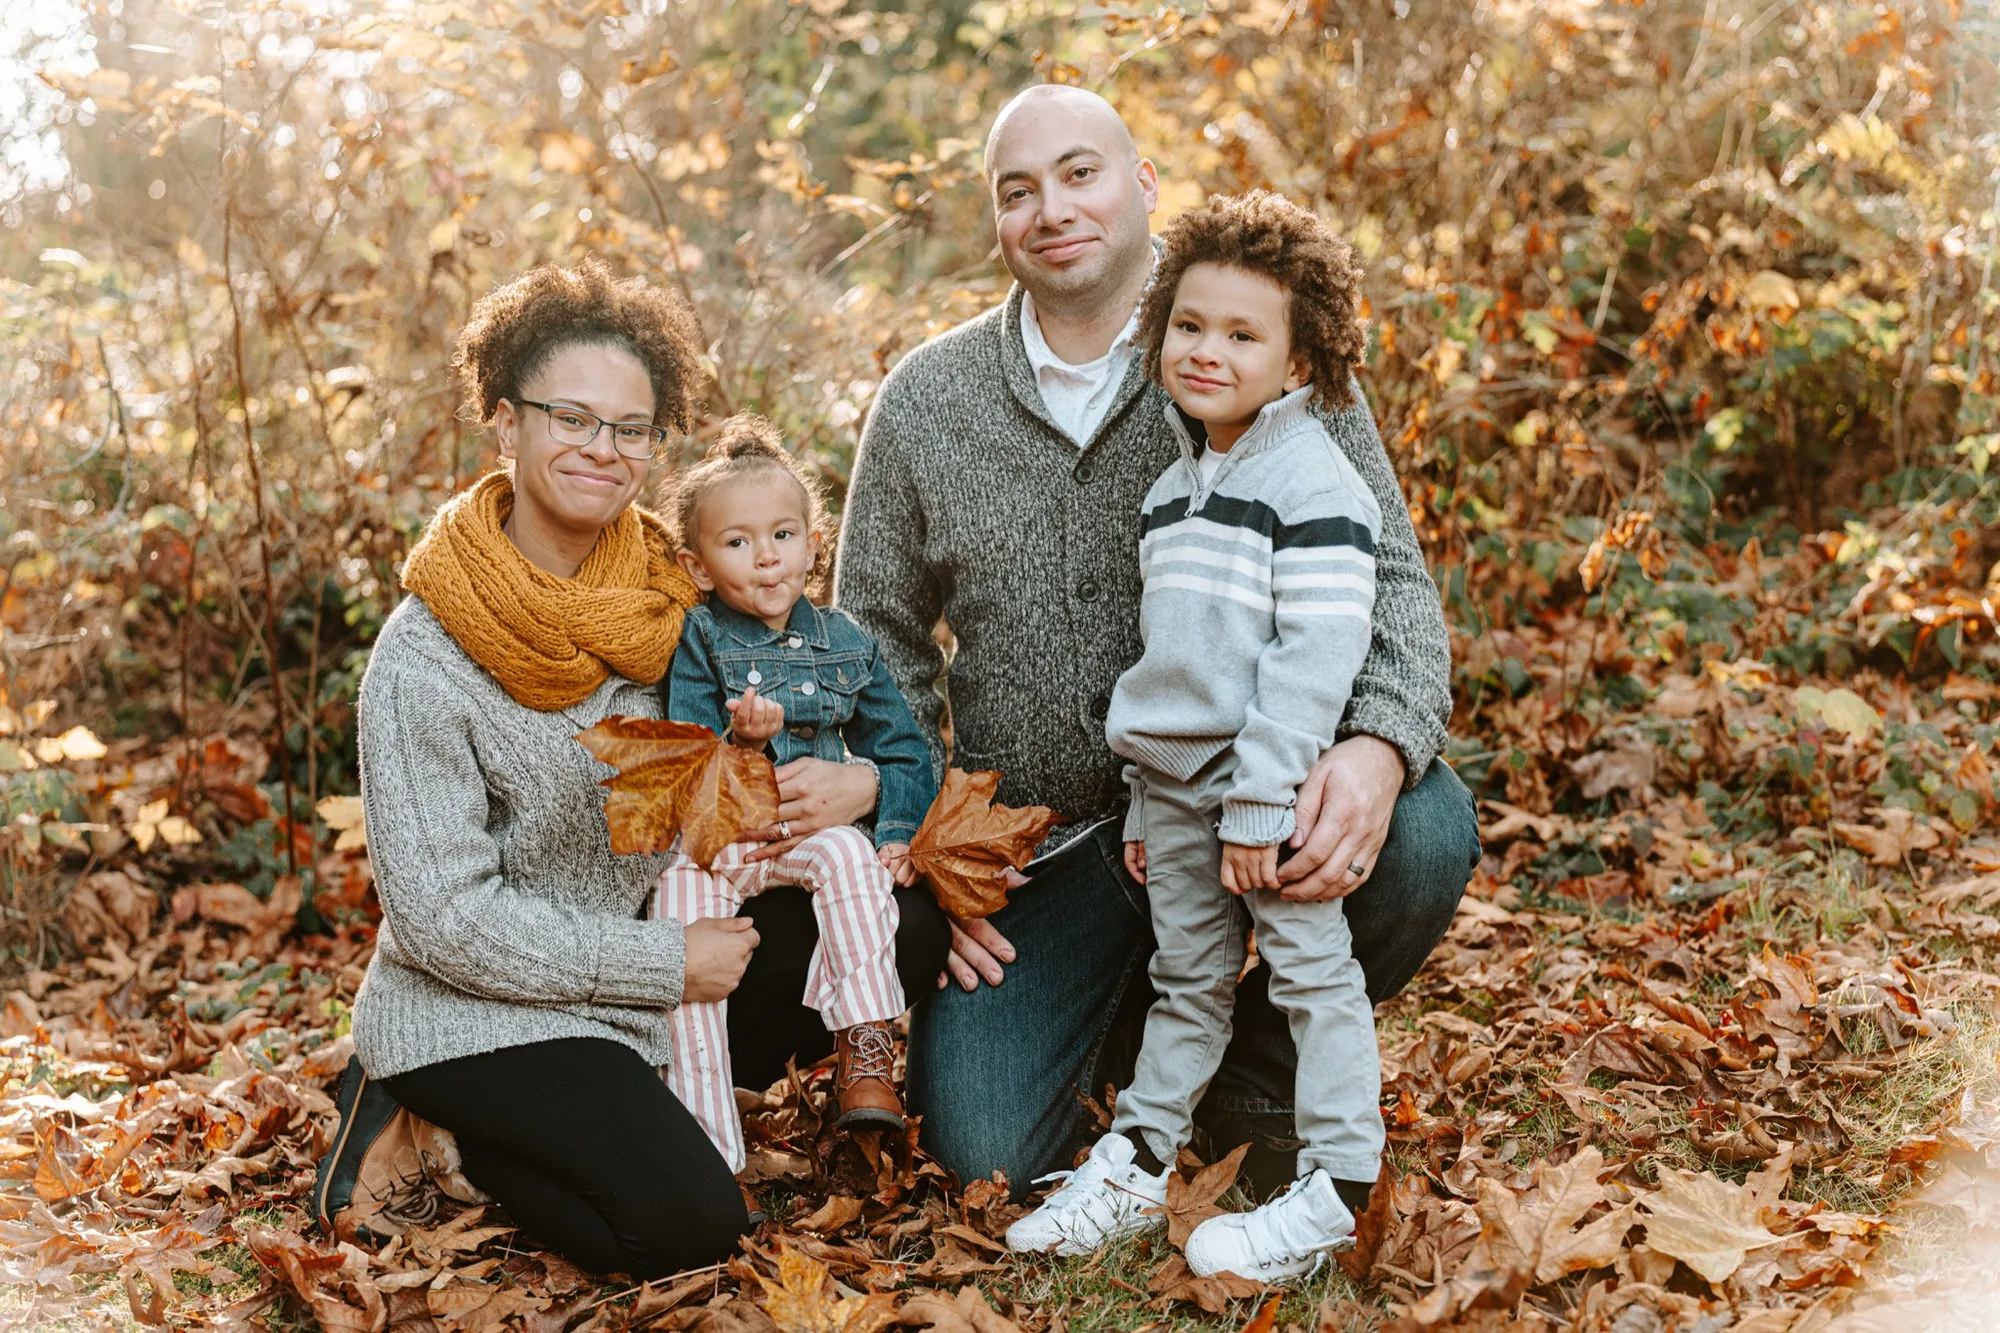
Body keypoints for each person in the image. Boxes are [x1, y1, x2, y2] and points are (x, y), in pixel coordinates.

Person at [834, 85, 1481, 1199]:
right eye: (1015, 192)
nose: (1051, 209)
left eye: (1078, 173)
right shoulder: (925, 401)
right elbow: (871, 650)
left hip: (1251, 799)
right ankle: (1151, 1030)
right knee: (981, 1150)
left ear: (1141, 186)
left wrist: (1375, 748)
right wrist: (931, 855)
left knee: (1421, 829)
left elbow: (1394, 600)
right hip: (1040, 851)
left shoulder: (1255, 346)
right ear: (995, 223)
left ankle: (1255, 1077)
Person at [312, 260, 948, 1280]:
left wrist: (866, 790)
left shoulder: (681, 588)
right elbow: (440, 918)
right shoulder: (424, 654)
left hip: (663, 957)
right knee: (690, 1228)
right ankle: (435, 1130)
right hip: (486, 1006)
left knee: (904, 923)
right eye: (572, 417)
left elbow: (799, 717)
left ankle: (632, 1105)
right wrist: (664, 965)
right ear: (506, 423)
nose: (601, 449)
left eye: (630, 428)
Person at [1007, 191, 1383, 1280]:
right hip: (1169, 791)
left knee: (1313, 973)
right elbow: (1174, 670)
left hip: (1261, 785)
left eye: (1240, 334)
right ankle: (1136, 1155)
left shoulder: (1313, 484)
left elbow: (1311, 658)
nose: (1205, 351)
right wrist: (1140, 795)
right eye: (1188, 325)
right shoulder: (1174, 491)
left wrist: (1264, 798)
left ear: (1300, 362)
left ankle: (1338, 1186)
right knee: (1187, 975)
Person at [654, 414, 936, 1172]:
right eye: (738, 542)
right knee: (678, 927)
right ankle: (704, 1141)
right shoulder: (698, 637)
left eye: (783, 534)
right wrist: (740, 744)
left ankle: (866, 1051)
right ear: (699, 565)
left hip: (802, 841)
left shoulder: (848, 641)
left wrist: (896, 830)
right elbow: (683, 752)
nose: (766, 557)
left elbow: (906, 747)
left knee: (849, 854)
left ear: (815, 545)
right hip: (717, 849)